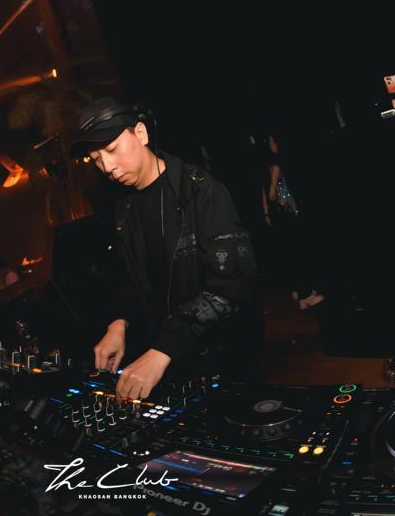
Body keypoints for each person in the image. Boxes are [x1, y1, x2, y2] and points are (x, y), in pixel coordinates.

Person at [68, 97, 260, 400]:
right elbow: (132, 277)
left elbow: (232, 287)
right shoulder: (123, 206)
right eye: (96, 159)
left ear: (141, 133)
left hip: (220, 363)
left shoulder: (199, 190)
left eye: (112, 150)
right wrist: (118, 323)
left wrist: (165, 348)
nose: (108, 167)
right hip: (169, 366)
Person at [261, 132, 324, 310]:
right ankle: (305, 296)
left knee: (291, 252)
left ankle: (298, 292)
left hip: (279, 215)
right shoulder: (275, 164)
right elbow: (271, 193)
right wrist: (274, 201)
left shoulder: (266, 165)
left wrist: (266, 214)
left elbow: (263, 193)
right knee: (298, 253)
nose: (275, 144)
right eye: (273, 142)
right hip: (286, 214)